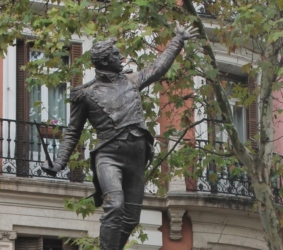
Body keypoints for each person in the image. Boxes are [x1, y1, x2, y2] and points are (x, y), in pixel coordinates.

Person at [41, 22, 198, 250]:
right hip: (109, 156)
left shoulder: (132, 81)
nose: (121, 56)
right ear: (105, 61)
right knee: (114, 205)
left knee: (131, 218)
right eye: (116, 54)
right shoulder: (85, 95)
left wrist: (178, 40)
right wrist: (59, 163)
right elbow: (73, 131)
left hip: (136, 158)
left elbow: (158, 68)